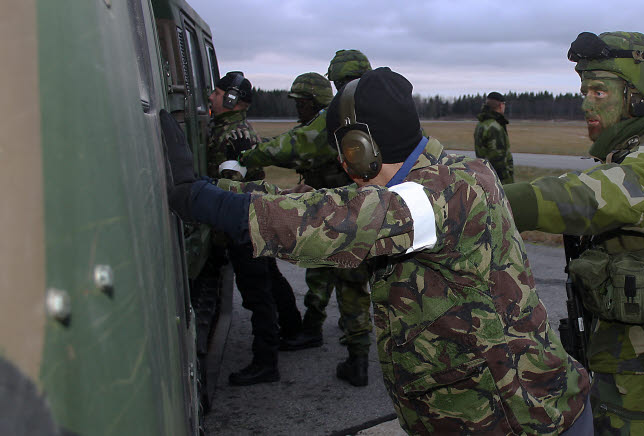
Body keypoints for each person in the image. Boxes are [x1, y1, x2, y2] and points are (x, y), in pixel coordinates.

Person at [166, 67, 592, 435]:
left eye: (344, 151)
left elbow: (328, 224)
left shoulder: (436, 197)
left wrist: (197, 199)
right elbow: (316, 202)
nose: (345, 167)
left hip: (515, 420)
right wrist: (223, 189)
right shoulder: (445, 176)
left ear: (360, 148)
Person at [504, 31, 644, 435]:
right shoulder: (632, 151)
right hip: (624, 340)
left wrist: (485, 198)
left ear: (636, 97)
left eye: (600, 92)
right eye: (584, 90)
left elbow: (587, 197)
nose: (586, 103)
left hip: (641, 352)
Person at [240, 55, 374, 387]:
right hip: (381, 211)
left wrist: (246, 157)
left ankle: (357, 358)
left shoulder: (339, 118)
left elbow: (296, 144)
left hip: (345, 213)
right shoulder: (384, 111)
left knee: (349, 285)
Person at [206, 71, 302, 386]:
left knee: (256, 293)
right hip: (251, 220)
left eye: (217, 93)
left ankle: (265, 361)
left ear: (231, 99)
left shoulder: (233, 136)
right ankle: (293, 329)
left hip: (244, 223)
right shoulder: (229, 131)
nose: (211, 97)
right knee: (269, 279)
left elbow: (233, 189)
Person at [473, 91, 514, 183]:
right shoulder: (494, 127)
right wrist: (506, 181)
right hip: (498, 179)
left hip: (484, 173)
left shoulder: (481, 124)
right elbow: (498, 158)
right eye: (504, 104)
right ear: (500, 105)